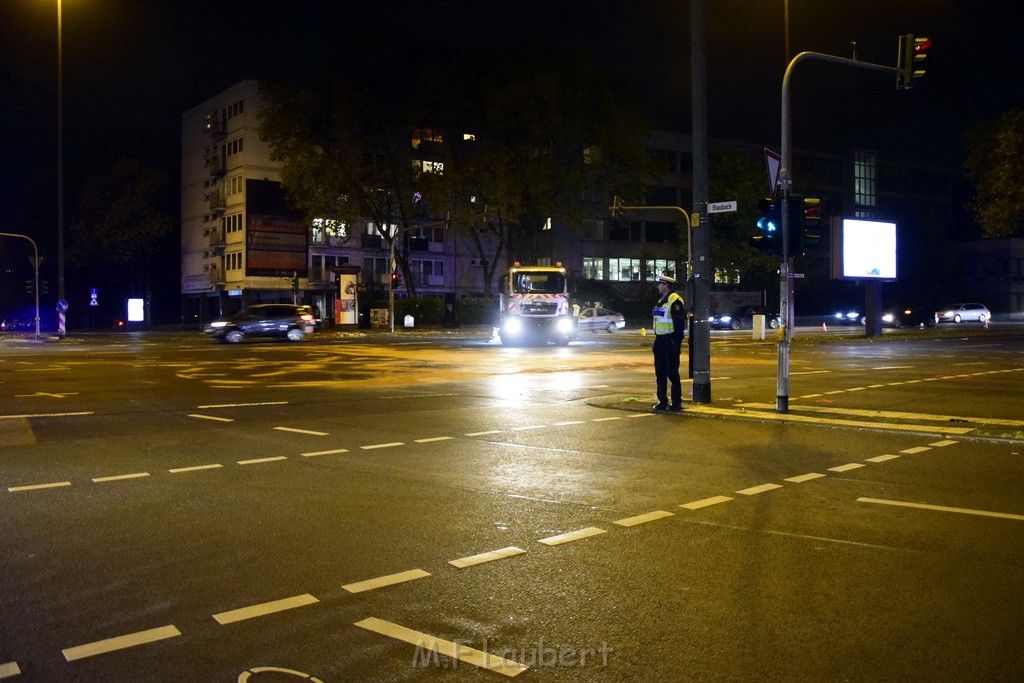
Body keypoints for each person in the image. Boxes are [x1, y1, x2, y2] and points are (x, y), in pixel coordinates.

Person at [651, 274, 686, 412]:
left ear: (666, 285)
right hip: (659, 341)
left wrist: (676, 344)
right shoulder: (661, 301)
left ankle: (676, 402)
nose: (658, 286)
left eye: (660, 284)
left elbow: (679, 326)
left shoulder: (675, 301)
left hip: (669, 341)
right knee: (660, 373)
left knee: (672, 373)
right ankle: (662, 400)